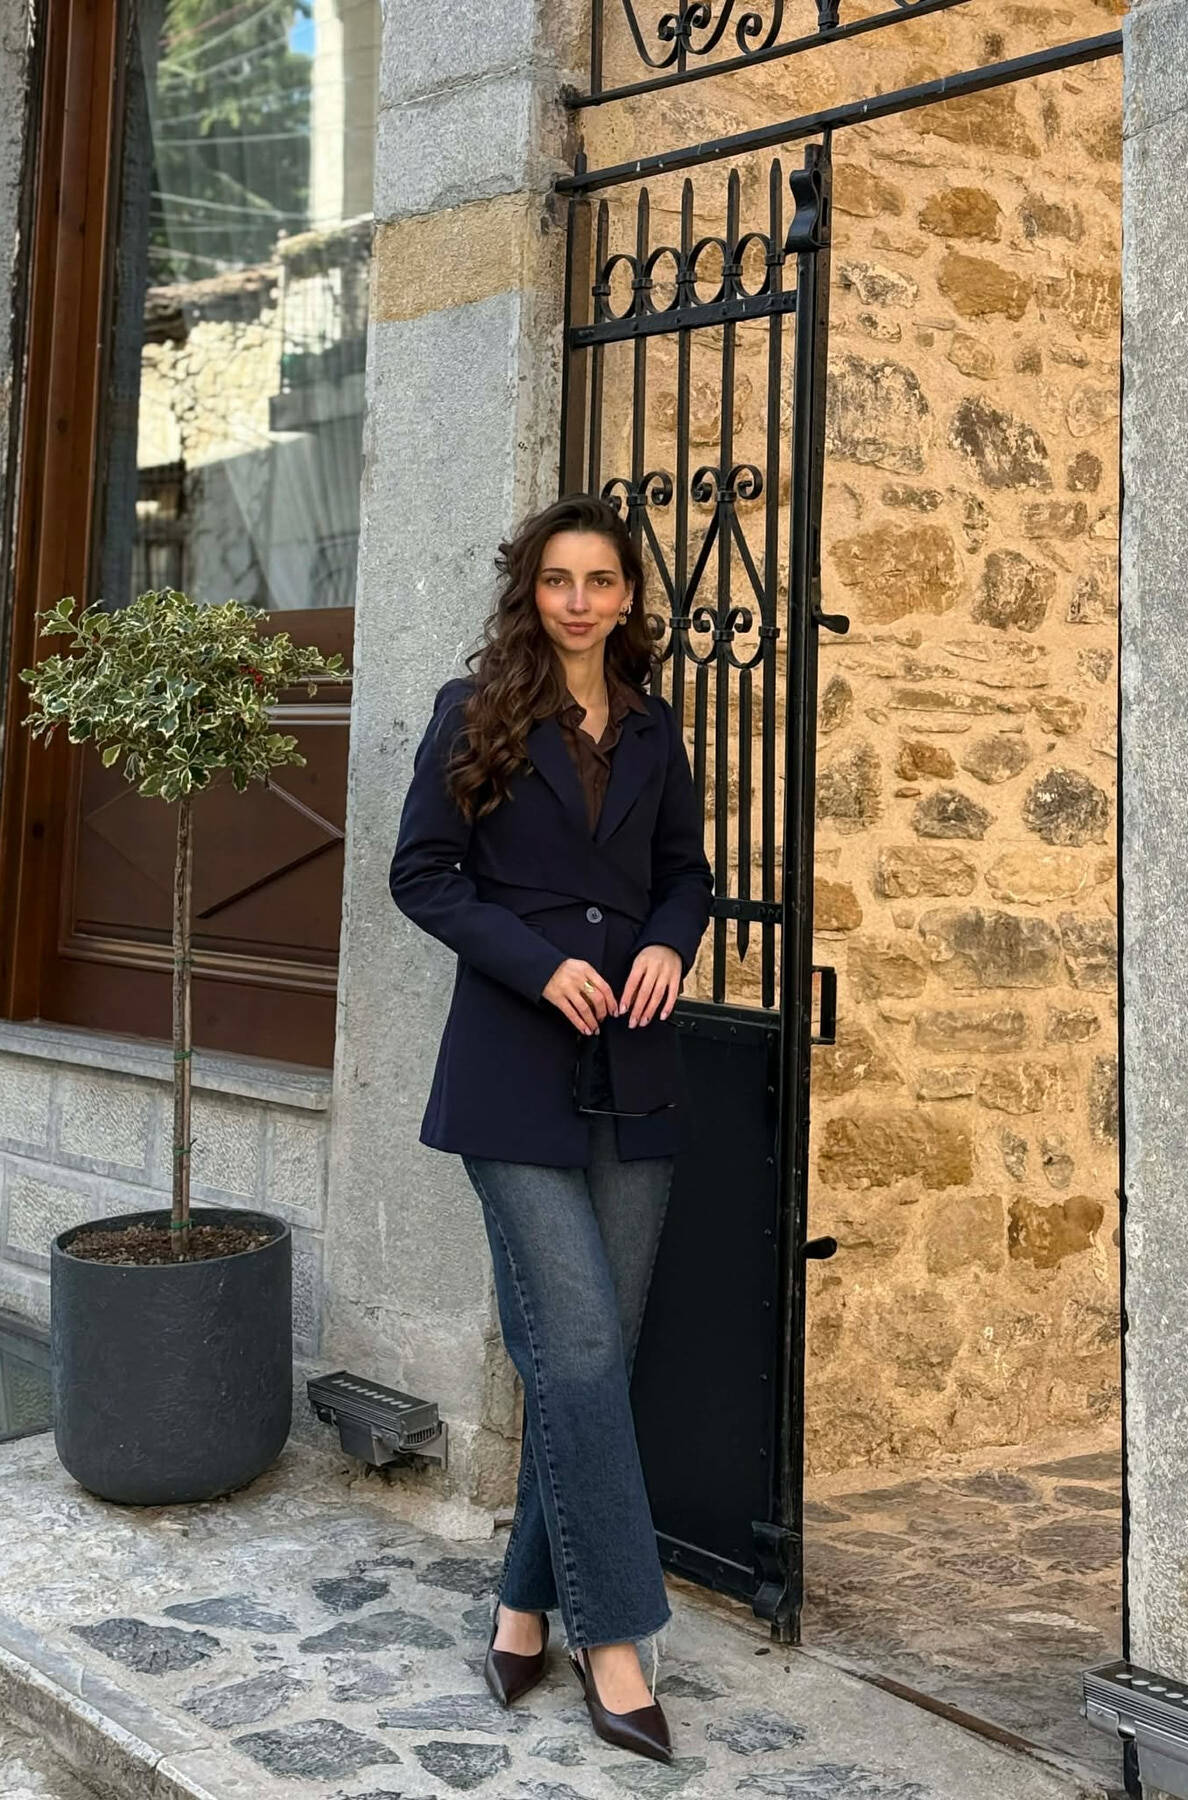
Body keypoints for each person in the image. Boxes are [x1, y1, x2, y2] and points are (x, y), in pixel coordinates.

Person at [388, 493, 714, 1765]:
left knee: (593, 1363)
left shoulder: (655, 729)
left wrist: (671, 947)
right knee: (573, 1341)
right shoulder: (473, 710)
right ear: (531, 590)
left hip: (634, 1063)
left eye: (602, 580)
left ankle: (522, 1607)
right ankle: (617, 1639)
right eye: (558, 579)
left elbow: (684, 875)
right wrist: (537, 963)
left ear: (628, 598)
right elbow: (423, 875)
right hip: (511, 1070)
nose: (580, 600)